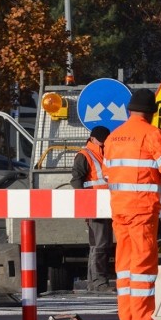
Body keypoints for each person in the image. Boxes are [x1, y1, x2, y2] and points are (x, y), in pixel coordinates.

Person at [104, 88, 161, 320]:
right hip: (142, 210)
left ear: (130, 110)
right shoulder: (151, 134)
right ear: (152, 113)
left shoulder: (113, 137)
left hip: (119, 210)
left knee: (124, 267)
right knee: (143, 266)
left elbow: (108, 174)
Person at [70, 125, 115, 293]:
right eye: (102, 142)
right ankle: (98, 282)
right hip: (95, 206)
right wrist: (85, 204)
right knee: (100, 244)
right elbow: (77, 181)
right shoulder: (85, 155)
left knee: (99, 244)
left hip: (107, 205)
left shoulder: (106, 152)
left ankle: (94, 282)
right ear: (93, 139)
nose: (104, 145)